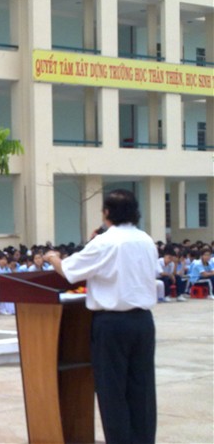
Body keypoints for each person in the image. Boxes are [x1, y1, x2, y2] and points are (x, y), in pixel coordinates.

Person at [45, 189, 157, 444]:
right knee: (142, 389)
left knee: (112, 391)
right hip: (143, 322)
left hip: (112, 324)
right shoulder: (146, 240)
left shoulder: (106, 242)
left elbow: (69, 271)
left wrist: (53, 258)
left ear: (107, 213)